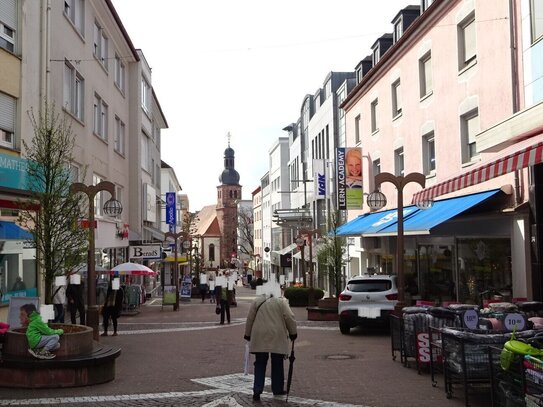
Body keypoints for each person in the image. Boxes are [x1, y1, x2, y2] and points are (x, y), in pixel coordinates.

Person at [244, 292, 297, 401]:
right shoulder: (281, 301)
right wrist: (293, 332)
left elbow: (250, 318)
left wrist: (247, 334)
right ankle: (277, 388)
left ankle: (257, 390)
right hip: (276, 335)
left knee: (260, 363)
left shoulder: (257, 301)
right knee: (277, 362)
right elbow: (289, 317)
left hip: (260, 335)